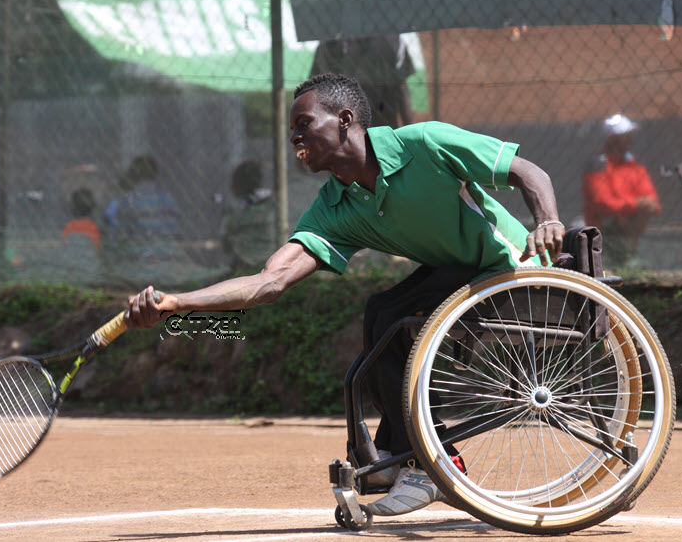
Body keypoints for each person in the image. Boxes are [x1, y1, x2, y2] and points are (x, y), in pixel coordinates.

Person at [125, 74, 564, 517]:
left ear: (344, 121)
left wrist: (547, 221)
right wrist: (179, 303)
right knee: (381, 312)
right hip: (456, 277)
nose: (294, 136)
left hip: (509, 267)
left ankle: (432, 463)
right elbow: (270, 281)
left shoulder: (425, 143)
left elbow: (528, 171)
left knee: (393, 318)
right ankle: (406, 455)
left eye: (304, 123)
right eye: (292, 128)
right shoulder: (337, 204)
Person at [583, 114, 661, 267]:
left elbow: (652, 200)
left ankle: (626, 255)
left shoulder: (633, 165)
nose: (630, 138)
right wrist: (633, 204)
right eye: (625, 135)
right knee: (627, 211)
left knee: (643, 209)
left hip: (629, 219)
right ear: (612, 139)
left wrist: (637, 205)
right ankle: (615, 255)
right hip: (605, 222)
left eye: (629, 134)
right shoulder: (599, 164)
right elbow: (602, 203)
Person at [310, 35, 415, 129]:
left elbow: (401, 87)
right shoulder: (330, 43)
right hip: (362, 126)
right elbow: (401, 88)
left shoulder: (392, 39)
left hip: (357, 125)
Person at [221, 160, 276, 270]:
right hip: (272, 259)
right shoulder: (274, 207)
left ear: (236, 186)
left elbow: (226, 246)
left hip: (244, 263)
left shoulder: (235, 212)